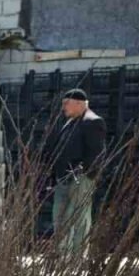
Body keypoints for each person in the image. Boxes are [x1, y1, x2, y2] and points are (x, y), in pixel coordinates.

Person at [46, 88, 106, 253]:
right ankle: (62, 258)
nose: (63, 107)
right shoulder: (69, 122)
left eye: (67, 103)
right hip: (62, 179)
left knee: (79, 220)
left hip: (80, 179)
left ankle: (78, 260)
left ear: (79, 104)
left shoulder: (93, 122)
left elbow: (96, 153)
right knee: (59, 219)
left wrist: (84, 175)